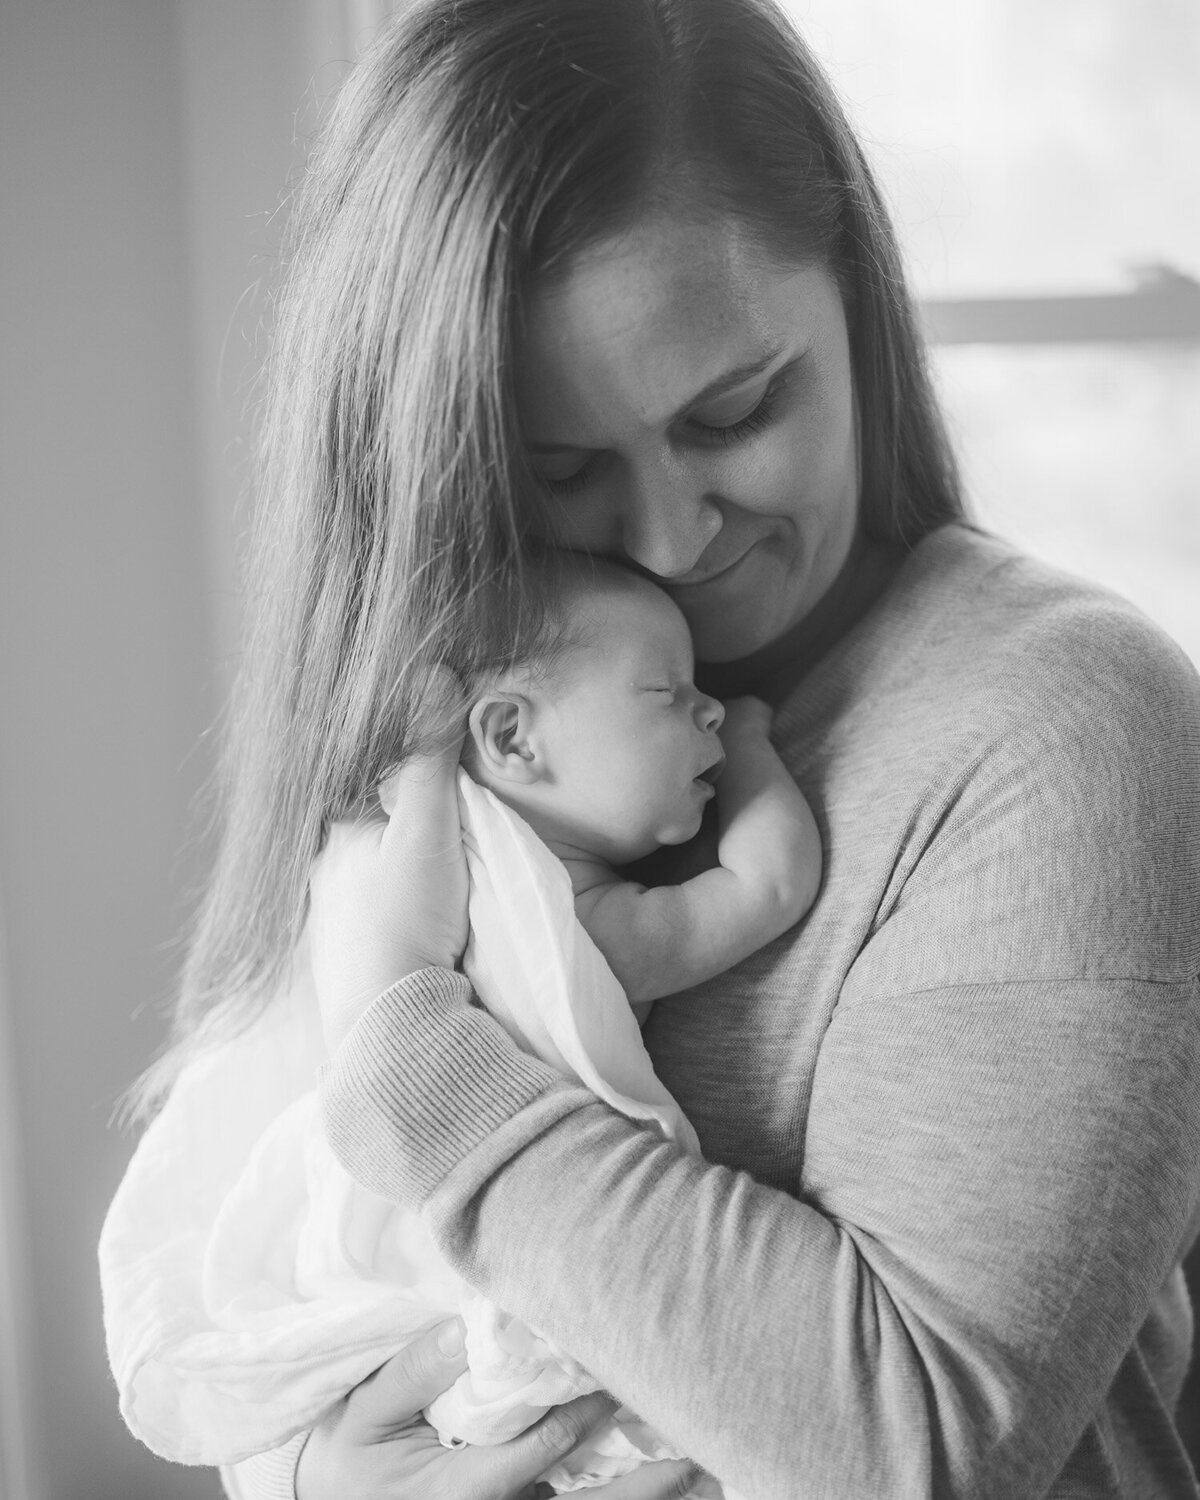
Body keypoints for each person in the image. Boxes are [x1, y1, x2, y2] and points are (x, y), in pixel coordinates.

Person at [110, 0, 1200, 1495]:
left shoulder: (1055, 726)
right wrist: (308, 1478)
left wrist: (415, 1056)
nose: (674, 541)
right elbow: (283, 1279)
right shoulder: (432, 753)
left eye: (737, 411)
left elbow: (920, 1445)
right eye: (561, 471)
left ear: (858, 313)